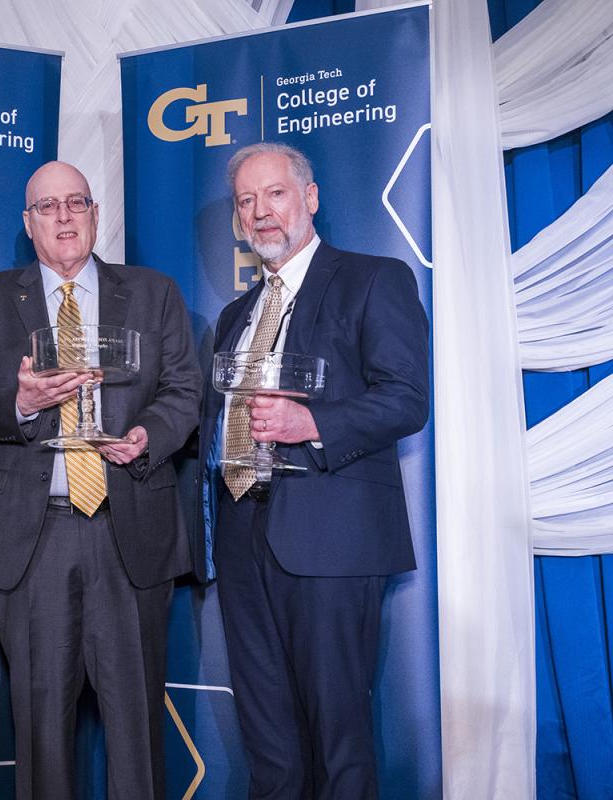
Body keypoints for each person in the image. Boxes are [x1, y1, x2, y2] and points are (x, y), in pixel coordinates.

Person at [0, 161, 202, 799]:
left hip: (130, 528)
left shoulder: (154, 293)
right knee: (40, 730)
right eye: (47, 207)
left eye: (76, 203)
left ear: (95, 213)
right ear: (28, 223)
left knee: (137, 725)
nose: (63, 217)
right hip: (33, 539)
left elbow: (183, 391)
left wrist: (147, 436)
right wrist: (23, 403)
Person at [198, 142, 430, 798]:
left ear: (310, 198)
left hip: (332, 540)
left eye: (274, 194)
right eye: (246, 201)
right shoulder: (232, 318)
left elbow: (407, 397)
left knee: (339, 741)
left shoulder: (373, 279)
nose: (261, 213)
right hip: (244, 543)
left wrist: (314, 425)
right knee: (268, 745)